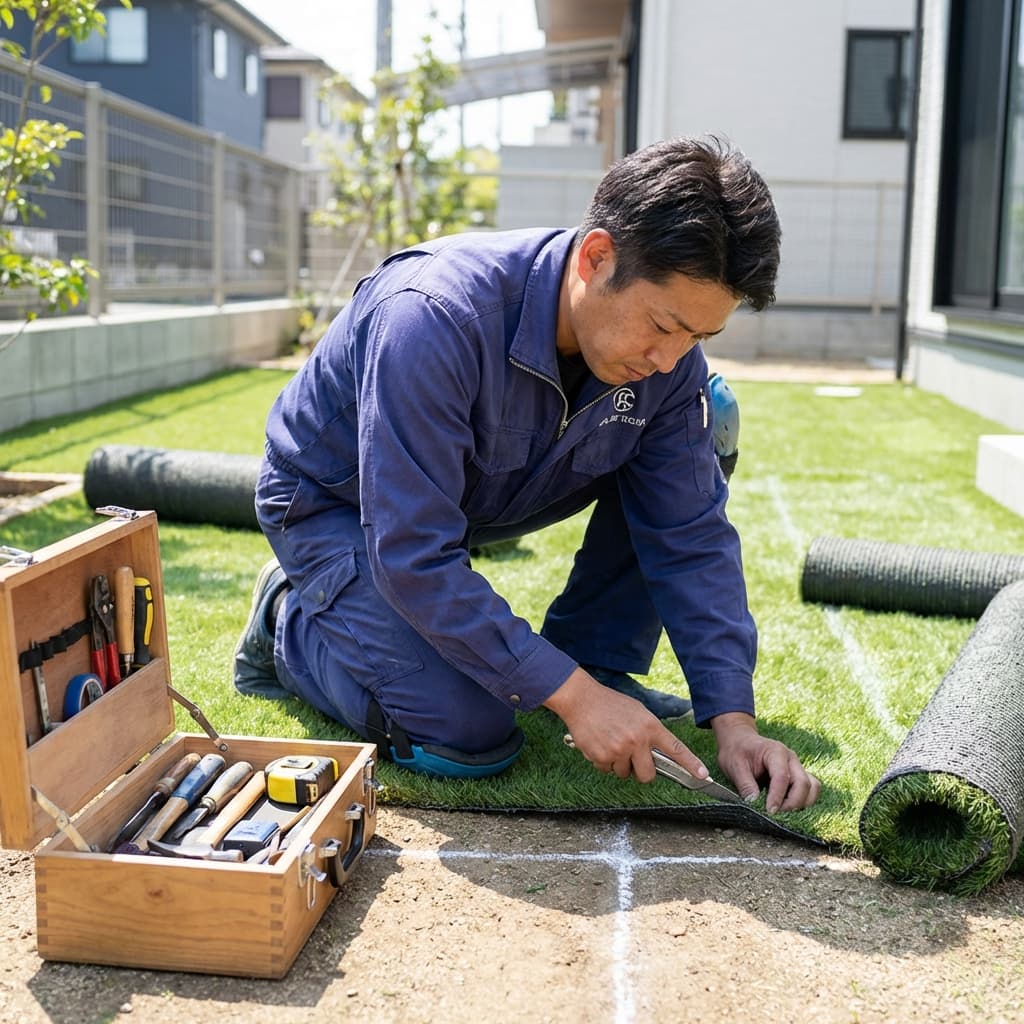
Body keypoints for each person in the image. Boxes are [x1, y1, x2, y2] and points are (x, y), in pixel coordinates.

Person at [235, 134, 820, 815]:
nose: (670, 359)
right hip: (340, 505)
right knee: (466, 733)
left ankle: (593, 658)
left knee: (704, 423)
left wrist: (733, 721)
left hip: (491, 488)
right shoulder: (431, 314)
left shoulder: (666, 363)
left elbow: (687, 529)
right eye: (663, 325)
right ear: (597, 257)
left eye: (696, 337)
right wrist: (569, 699)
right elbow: (412, 551)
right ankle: (286, 621)